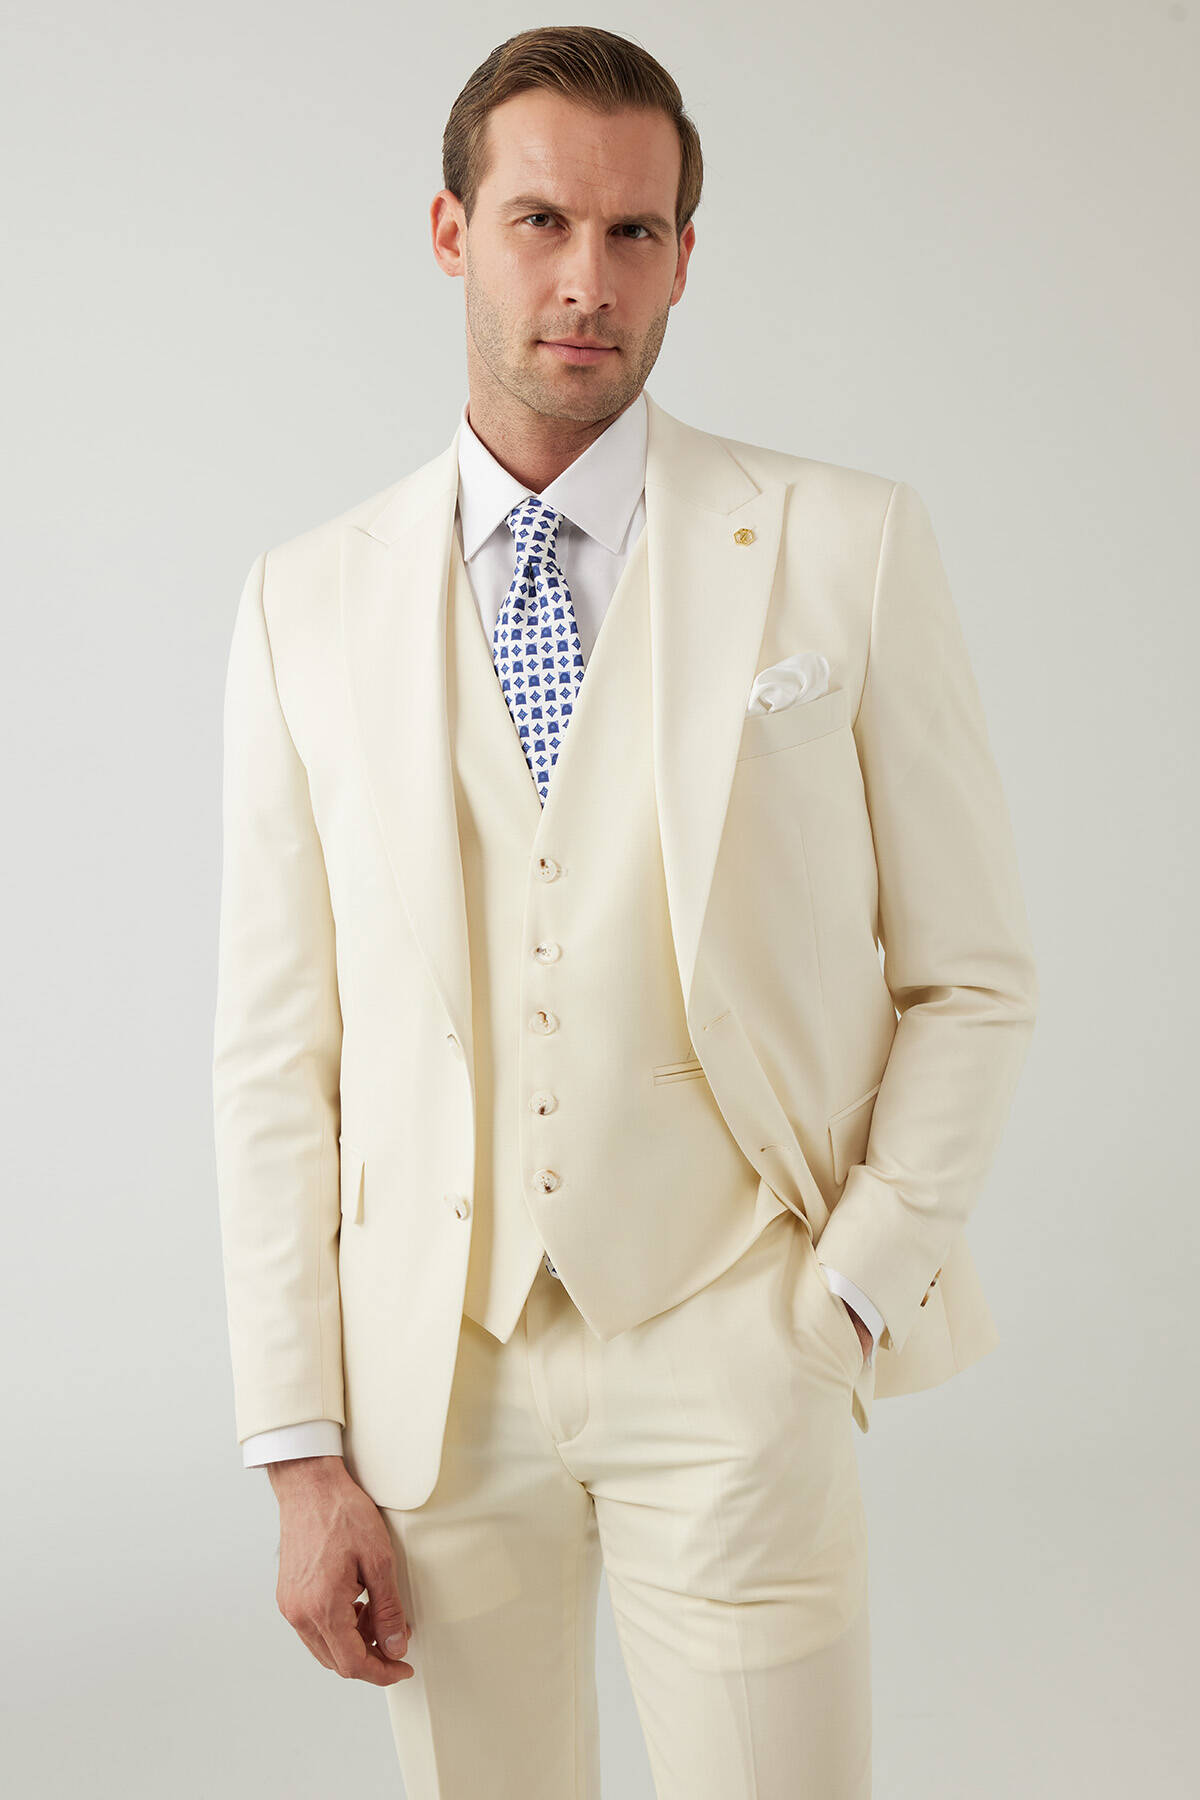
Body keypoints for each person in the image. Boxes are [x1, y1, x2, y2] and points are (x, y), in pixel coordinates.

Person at [212, 25, 1037, 1798]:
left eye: (633, 232)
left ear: (682, 255)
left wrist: (848, 1294)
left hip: (740, 1338)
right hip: (435, 1383)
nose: (585, 280)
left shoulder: (841, 545)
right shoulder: (303, 603)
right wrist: (300, 1449)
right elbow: (277, 1054)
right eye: (539, 221)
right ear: (452, 231)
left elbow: (973, 977)